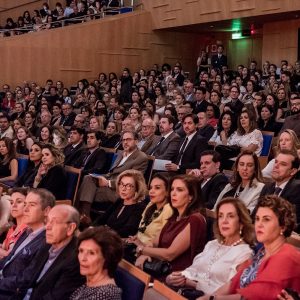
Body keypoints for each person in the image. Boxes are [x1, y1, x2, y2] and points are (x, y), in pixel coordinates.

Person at [200, 195, 300, 300]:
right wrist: (210, 297)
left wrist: (212, 299)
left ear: (283, 226)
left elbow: (253, 297)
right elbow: (233, 283)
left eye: (266, 219)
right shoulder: (261, 253)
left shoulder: (287, 256)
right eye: (257, 219)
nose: (259, 224)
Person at [166, 198, 253, 294]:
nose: (224, 221)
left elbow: (230, 292)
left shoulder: (245, 253)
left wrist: (194, 284)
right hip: (183, 292)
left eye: (230, 216)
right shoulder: (212, 244)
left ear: (241, 223)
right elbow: (191, 271)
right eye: (220, 216)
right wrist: (174, 277)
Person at [0, 204, 84, 299]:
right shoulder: (46, 245)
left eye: (54, 222)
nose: (48, 227)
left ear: (70, 228)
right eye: (47, 221)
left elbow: (54, 297)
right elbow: (26, 278)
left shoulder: (77, 259)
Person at [135, 175, 207, 275]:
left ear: (191, 196)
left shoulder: (196, 219)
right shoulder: (174, 216)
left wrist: (143, 250)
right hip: (159, 267)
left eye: (179, 190)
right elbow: (154, 243)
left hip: (175, 275)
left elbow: (170, 254)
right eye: (172, 189)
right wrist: (144, 254)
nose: (173, 193)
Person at [77, 130, 148, 223]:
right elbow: (111, 173)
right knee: (88, 178)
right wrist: (98, 177)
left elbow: (134, 180)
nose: (125, 142)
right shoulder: (120, 153)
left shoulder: (141, 157)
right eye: (123, 140)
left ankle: (82, 216)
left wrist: (109, 183)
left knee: (86, 190)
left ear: (136, 141)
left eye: (129, 139)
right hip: (109, 184)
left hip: (120, 190)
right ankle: (85, 215)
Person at [0, 189, 55, 287]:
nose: (25, 209)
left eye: (32, 205)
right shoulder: (26, 232)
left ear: (46, 211)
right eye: (25, 204)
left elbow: (26, 279)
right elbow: (8, 259)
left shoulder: (47, 241)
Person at [70, 226, 123, 300]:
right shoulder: (90, 283)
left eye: (91, 253)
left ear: (107, 258)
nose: (83, 258)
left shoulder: (107, 295)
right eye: (81, 251)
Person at [95, 170, 148, 238]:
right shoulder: (120, 201)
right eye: (121, 184)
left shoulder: (140, 207)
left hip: (115, 242)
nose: (123, 188)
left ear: (137, 188)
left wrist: (103, 233)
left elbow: (127, 231)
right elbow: (101, 220)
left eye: (128, 185)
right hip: (105, 237)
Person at [260, 150, 300, 231]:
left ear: (293, 171)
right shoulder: (267, 187)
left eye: (283, 164)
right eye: (276, 162)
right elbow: (256, 214)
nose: (276, 166)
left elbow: (292, 223)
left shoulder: (297, 189)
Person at [0, 188, 28, 259]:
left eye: (19, 202)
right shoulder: (12, 229)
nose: (14, 205)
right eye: (11, 202)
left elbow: (12, 258)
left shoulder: (28, 230)